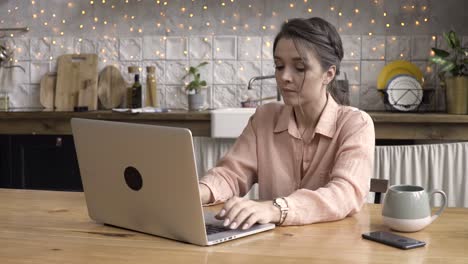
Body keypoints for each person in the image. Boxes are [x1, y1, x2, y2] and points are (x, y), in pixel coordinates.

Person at [199, 17, 375, 230]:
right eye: (279, 66)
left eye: (299, 68)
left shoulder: (356, 124)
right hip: (273, 248)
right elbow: (231, 175)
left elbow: (345, 194)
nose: (284, 77)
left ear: (329, 74)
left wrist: (275, 209)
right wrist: (197, 192)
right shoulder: (264, 117)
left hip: (334, 247)